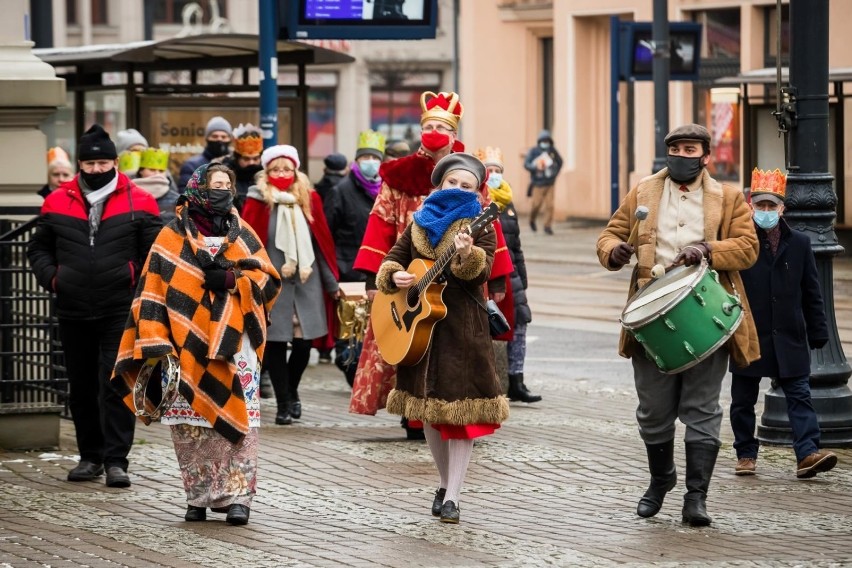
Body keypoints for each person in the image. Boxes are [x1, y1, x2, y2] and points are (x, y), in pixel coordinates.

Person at [596, 123, 759, 527]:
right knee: (653, 410)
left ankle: (696, 496)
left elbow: (748, 247)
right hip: (650, 315)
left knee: (702, 409)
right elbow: (611, 233)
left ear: (705, 156)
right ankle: (660, 479)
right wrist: (613, 251)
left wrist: (707, 248)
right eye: (676, 149)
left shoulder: (729, 197)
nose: (682, 155)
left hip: (703, 312)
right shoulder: (644, 191)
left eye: (691, 149)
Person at [112, 163, 281, 525]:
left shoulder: (244, 233)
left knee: (243, 421)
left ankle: (238, 498)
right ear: (198, 188)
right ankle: (198, 496)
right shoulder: (171, 236)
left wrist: (235, 280)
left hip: (235, 345)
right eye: (215, 185)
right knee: (191, 427)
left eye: (227, 185)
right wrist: (156, 341)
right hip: (184, 344)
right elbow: (152, 291)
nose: (222, 191)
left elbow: (268, 280)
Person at [350, 91, 513, 440]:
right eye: (430, 125)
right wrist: (378, 275)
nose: (435, 131)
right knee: (400, 341)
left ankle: (453, 417)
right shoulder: (399, 175)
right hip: (409, 278)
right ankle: (410, 413)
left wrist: (497, 279)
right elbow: (380, 224)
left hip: (456, 279)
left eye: (442, 126)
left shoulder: (469, 177)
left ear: (454, 134)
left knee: (455, 351)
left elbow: (491, 232)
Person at [377, 153, 510, 524]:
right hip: (418, 332)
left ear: (476, 191)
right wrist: (396, 277)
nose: (458, 189)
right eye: (453, 182)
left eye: (467, 185)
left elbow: (480, 274)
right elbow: (392, 259)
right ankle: (442, 482)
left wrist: (468, 256)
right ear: (439, 183)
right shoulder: (419, 221)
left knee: (460, 413)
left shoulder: (480, 222)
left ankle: (453, 495)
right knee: (429, 415)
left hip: (460, 331)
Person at [27, 124, 162, 488]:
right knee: (81, 385)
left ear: (116, 162)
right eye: (90, 163)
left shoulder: (140, 200)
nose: (97, 169)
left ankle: (117, 460)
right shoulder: (57, 200)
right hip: (72, 306)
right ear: (81, 165)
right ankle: (90, 457)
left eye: (103, 162)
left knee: (115, 382)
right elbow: (38, 248)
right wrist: (54, 278)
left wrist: (131, 277)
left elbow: (154, 253)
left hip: (119, 306)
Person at [729, 168, 837, 479]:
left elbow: (811, 292)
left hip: (790, 335)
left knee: (800, 396)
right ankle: (746, 454)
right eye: (760, 206)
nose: (765, 211)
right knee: (742, 400)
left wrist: (818, 332)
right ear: (751, 206)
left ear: (782, 208)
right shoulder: (742, 242)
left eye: (771, 206)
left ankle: (807, 453)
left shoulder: (801, 243)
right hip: (750, 334)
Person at [242, 145, 340, 425]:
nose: (281, 173)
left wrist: (332, 283)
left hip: (307, 282)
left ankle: (292, 391)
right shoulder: (257, 200)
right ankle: (284, 403)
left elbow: (322, 244)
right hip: (273, 285)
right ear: (267, 172)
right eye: (275, 169)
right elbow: (249, 245)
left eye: (286, 168)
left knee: (303, 344)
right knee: (275, 343)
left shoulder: (310, 199)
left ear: (296, 170)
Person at [477, 146, 541, 403]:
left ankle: (517, 380)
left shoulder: (508, 203)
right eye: (489, 170)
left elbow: (516, 246)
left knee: (519, 326)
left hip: (512, 276)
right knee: (491, 330)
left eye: (498, 171)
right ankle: (492, 382)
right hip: (491, 276)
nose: (494, 175)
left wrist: (522, 278)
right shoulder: (479, 202)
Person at [324, 130, 385, 384]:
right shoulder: (341, 191)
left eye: (375, 157)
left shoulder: (385, 190)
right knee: (350, 332)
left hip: (380, 273)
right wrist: (334, 273)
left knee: (374, 329)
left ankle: (367, 377)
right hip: (349, 271)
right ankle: (354, 374)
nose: (371, 161)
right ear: (357, 160)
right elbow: (327, 234)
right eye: (366, 156)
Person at [523, 130, 563, 235]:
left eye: (547, 141)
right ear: (539, 141)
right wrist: (535, 166)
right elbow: (526, 164)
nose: (545, 143)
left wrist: (555, 172)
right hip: (538, 182)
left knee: (550, 205)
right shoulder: (534, 151)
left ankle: (547, 226)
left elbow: (560, 161)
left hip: (550, 182)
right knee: (536, 204)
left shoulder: (552, 151)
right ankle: (532, 219)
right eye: (543, 140)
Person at [218, 123, 264, 212]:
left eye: (256, 158)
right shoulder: (224, 177)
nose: (251, 162)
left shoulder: (268, 177)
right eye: (246, 158)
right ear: (237, 158)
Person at [178, 116, 232, 192]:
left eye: (223, 137)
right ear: (207, 138)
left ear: (229, 139)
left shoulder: (236, 165)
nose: (219, 140)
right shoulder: (191, 166)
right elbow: (186, 195)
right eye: (215, 136)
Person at [132, 147, 180, 224]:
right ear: (141, 171)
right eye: (152, 170)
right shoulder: (129, 196)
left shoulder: (177, 199)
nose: (157, 174)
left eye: (161, 171)